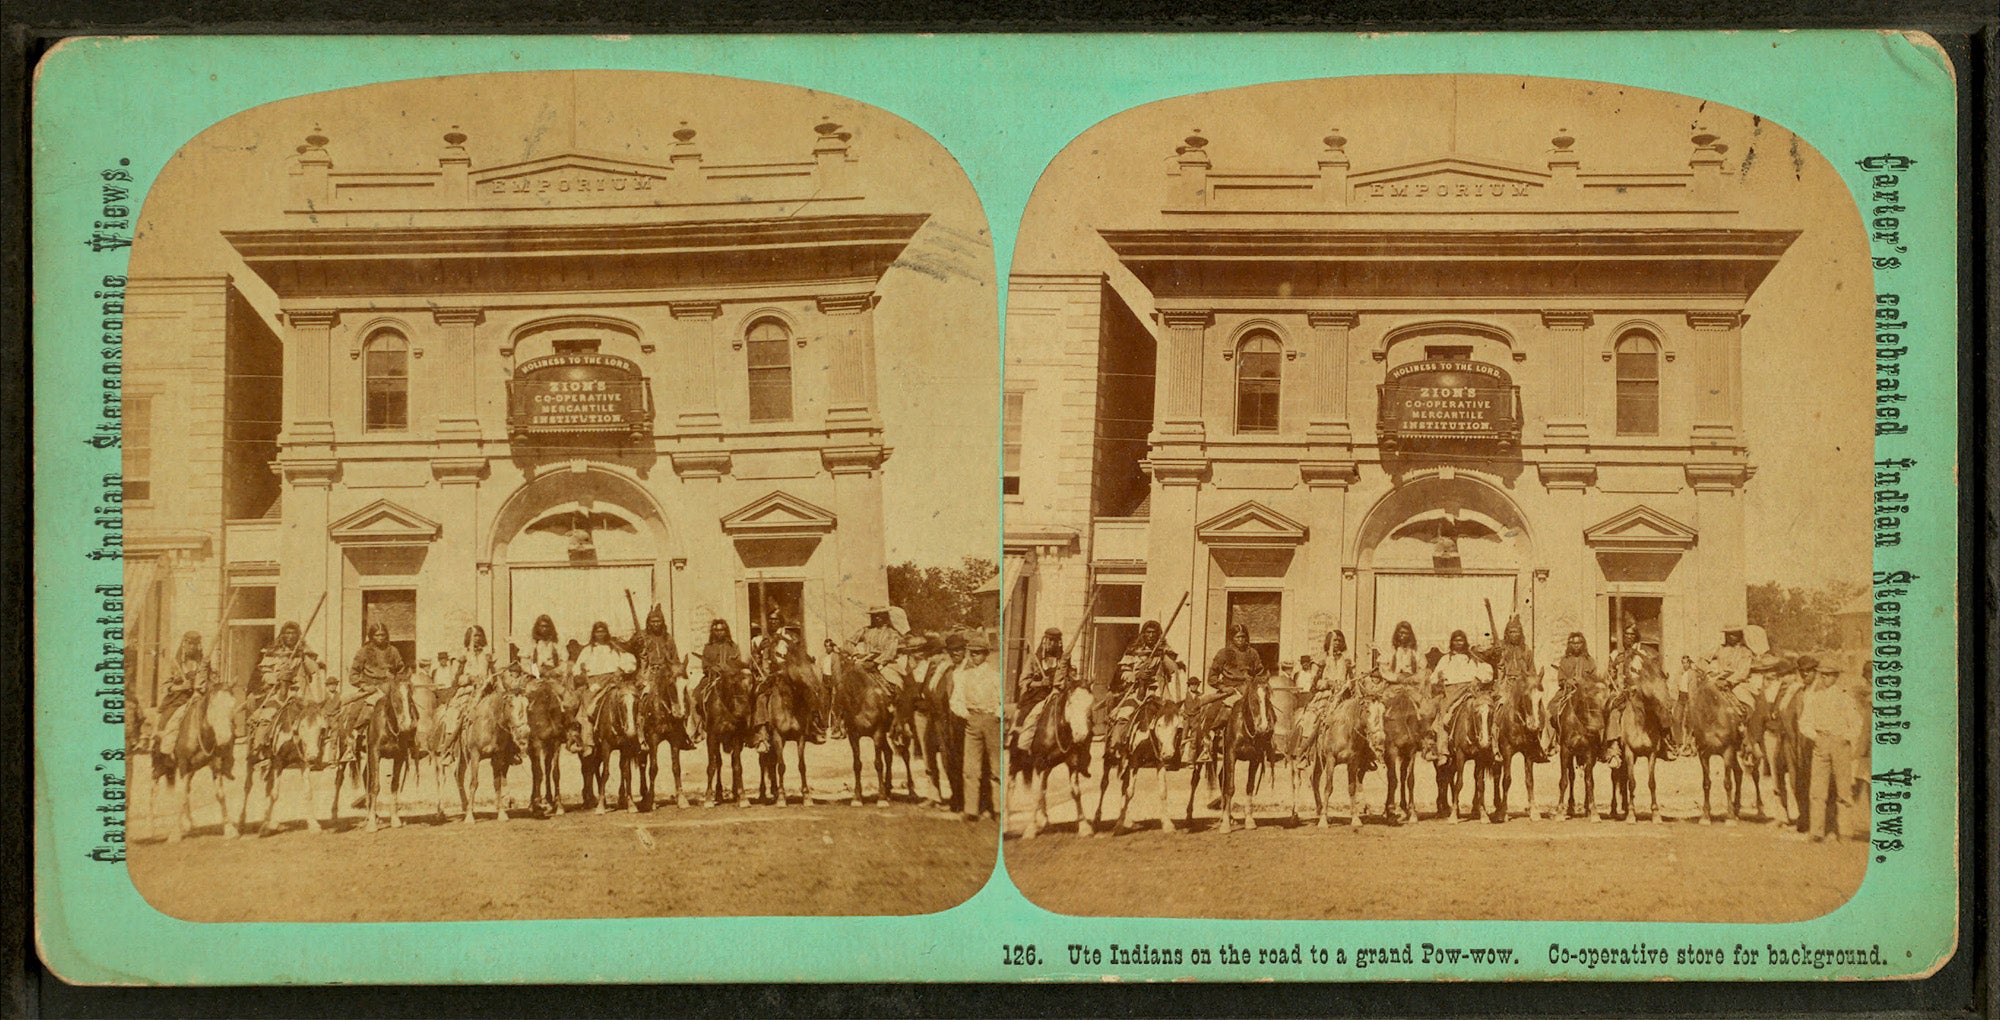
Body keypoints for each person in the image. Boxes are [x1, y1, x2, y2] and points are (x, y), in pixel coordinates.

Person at [1188, 623, 1271, 763]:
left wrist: (1259, 682)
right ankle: (1207, 745)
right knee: (1214, 713)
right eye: (1237, 637)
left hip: (1249, 689)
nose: (1241, 640)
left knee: (1266, 710)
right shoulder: (1223, 653)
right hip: (1229, 690)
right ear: (1232, 638)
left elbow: (1260, 672)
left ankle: (1267, 744)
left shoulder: (1253, 653)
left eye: (1243, 637)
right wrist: (1222, 686)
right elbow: (1212, 677)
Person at [1799, 662, 1862, 842]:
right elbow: (1804, 723)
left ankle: (1845, 832)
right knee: (1817, 789)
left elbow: (1857, 723)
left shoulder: (1845, 698)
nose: (1824, 678)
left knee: (1843, 789)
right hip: (1821, 742)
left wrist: (1845, 737)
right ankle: (1817, 831)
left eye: (1828, 675)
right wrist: (1816, 737)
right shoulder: (1814, 697)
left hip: (1839, 743)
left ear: (1836, 676)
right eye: (1822, 675)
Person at [337, 622, 410, 763]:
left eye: (383, 635)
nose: (380, 638)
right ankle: (351, 744)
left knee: (406, 707)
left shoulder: (393, 651)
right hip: (370, 688)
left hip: (389, 687)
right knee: (359, 711)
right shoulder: (363, 652)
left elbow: (401, 669)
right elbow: (353, 675)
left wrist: (396, 680)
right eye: (377, 635)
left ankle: (409, 743)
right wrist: (364, 685)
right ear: (371, 636)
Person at [951, 632, 1003, 821]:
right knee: (971, 768)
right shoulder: (963, 677)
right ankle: (971, 810)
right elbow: (955, 701)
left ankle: (997, 809)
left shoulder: (995, 676)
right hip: (972, 721)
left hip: (991, 721)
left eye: (979, 653)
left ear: (986, 654)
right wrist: (966, 715)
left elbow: (1002, 701)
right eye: (972, 653)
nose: (975, 657)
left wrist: (996, 715)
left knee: (996, 767)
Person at [1610, 622, 1675, 760]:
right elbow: (1611, 673)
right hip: (1622, 690)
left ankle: (1665, 742)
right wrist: (1615, 666)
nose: (1628, 637)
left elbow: (1652, 671)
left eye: (1631, 635)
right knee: (1612, 711)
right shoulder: (1616, 654)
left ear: (1636, 637)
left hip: (1640, 690)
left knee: (1659, 709)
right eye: (1626, 635)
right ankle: (1613, 745)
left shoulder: (1644, 653)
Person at [573, 621, 636, 757]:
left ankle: (637, 736)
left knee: (630, 699)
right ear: (593, 634)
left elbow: (630, 661)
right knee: (587, 708)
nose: (600, 634)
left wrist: (622, 670)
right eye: (597, 631)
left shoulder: (614, 648)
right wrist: (586, 678)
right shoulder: (588, 650)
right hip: (595, 682)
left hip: (613, 680)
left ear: (606, 633)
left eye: (603, 631)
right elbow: (577, 668)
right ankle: (587, 741)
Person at [1429, 629, 1495, 758]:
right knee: (1444, 715)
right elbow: (1433, 677)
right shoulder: (1445, 659)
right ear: (1452, 642)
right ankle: (1442, 750)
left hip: (1470, 690)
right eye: (1456, 640)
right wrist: (1439, 676)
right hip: (1452, 691)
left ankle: (1493, 746)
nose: (1458, 643)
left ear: (1465, 642)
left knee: (1486, 710)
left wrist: (1478, 678)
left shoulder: (1472, 658)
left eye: (1461, 640)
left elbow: (1487, 672)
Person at [1009, 627, 1075, 753]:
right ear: (1044, 641)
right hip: (1037, 696)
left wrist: (1068, 680)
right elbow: (1022, 681)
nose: (1050, 644)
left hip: (1057, 695)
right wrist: (1040, 683)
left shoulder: (1063, 660)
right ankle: (1023, 746)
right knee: (1028, 716)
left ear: (1059, 642)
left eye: (1054, 641)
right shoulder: (1035, 659)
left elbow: (1069, 677)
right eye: (1048, 640)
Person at [154, 631, 213, 753]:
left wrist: (205, 685)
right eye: (190, 644)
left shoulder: (203, 663)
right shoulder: (175, 664)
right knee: (164, 723)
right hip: (178, 700)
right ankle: (163, 756)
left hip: (199, 698)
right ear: (184, 644)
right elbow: (164, 686)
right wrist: (181, 687)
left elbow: (211, 680)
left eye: (195, 644)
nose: (192, 647)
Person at [1543, 632, 1598, 754]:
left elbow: (1594, 679)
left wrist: (1583, 682)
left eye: (1579, 643)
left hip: (1586, 693)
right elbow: (1561, 680)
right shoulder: (1564, 661)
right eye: (1573, 643)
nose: (1576, 646)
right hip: (1567, 692)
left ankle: (1601, 747)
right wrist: (1568, 681)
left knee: (1600, 712)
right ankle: (1551, 744)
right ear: (1569, 645)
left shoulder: (1590, 661)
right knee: (1549, 712)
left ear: (1583, 644)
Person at [1385, 621, 1424, 688]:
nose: (1401, 635)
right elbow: (1384, 670)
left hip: (1412, 685)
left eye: (1405, 633)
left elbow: (1423, 669)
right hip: (1394, 685)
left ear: (1410, 635)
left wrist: (1413, 678)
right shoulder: (1391, 650)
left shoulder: (1416, 650)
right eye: (1400, 632)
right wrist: (1396, 677)